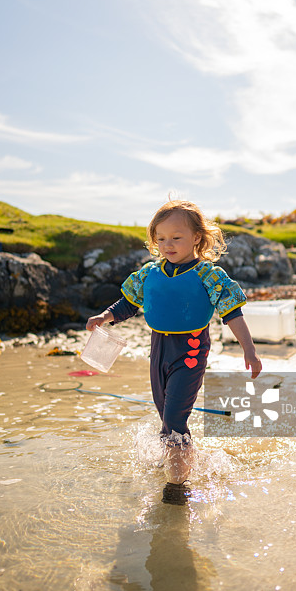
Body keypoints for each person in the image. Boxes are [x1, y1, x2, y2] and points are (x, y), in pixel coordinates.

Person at [86, 199, 262, 502]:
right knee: (165, 415)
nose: (167, 245)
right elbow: (130, 304)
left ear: (196, 237)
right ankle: (182, 461)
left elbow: (231, 312)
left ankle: (178, 486)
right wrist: (106, 317)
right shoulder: (150, 273)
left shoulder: (209, 275)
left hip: (191, 351)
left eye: (176, 238)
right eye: (161, 238)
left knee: (174, 421)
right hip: (158, 350)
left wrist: (249, 350)